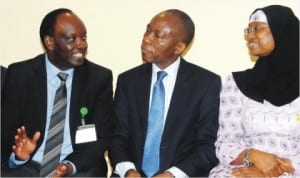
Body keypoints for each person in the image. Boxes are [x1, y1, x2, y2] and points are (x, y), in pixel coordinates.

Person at [1, 8, 113, 177]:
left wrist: (69, 166)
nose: (81, 44)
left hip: (78, 167)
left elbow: (101, 137)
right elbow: (6, 130)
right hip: (28, 165)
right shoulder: (20, 75)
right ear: (50, 42)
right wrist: (18, 156)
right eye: (71, 39)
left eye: (83, 38)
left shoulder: (98, 79)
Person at [110, 9, 221, 178]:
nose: (146, 39)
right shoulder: (128, 81)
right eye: (148, 30)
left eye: (158, 35)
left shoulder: (205, 84)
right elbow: (117, 136)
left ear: (179, 47)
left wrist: (172, 174)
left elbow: (208, 145)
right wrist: (128, 170)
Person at [209, 5, 299, 178]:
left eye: (258, 29)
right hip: (242, 170)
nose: (250, 36)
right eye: (248, 30)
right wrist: (254, 157)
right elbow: (225, 144)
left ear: (282, 31)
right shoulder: (237, 83)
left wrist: (271, 171)